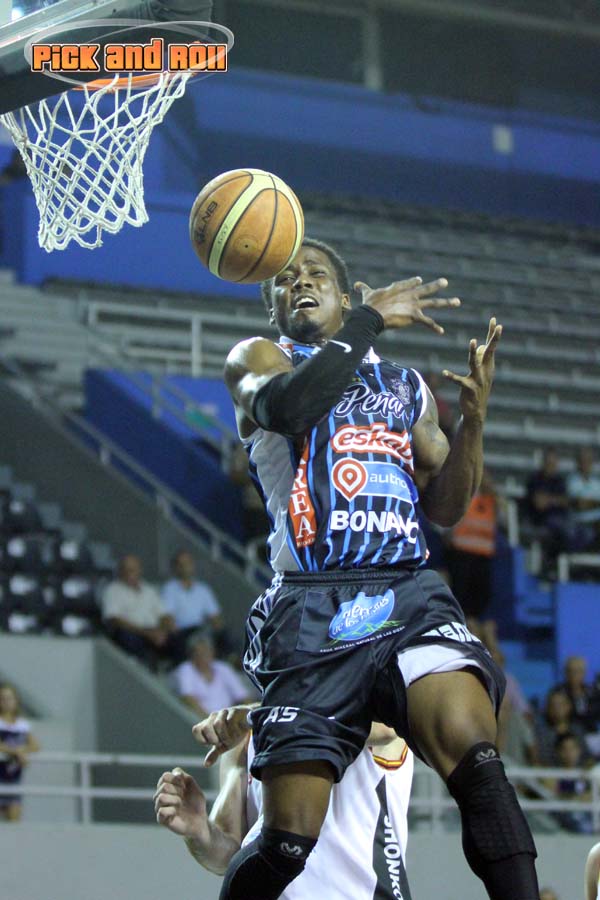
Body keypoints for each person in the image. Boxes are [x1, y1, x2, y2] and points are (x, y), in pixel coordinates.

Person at [211, 237, 538, 900]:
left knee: (479, 763)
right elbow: (290, 407)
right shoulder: (259, 358)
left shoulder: (404, 386)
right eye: (285, 280)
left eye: (315, 274)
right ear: (274, 309)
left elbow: (444, 507)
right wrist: (367, 322)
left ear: (344, 293)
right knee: (287, 843)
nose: (299, 282)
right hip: (310, 606)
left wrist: (473, 423)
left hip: (405, 592)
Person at [155, 706, 414, 900]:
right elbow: (228, 858)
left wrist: (257, 715)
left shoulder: (374, 711)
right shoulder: (244, 735)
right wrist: (200, 830)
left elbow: (386, 730)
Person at [446, 467, 500, 628]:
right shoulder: (464, 497)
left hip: (482, 558)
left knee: (480, 602)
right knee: (462, 600)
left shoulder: (492, 502)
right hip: (462, 556)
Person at [102, 554, 176, 668]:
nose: (129, 573)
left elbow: (164, 615)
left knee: (178, 639)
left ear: (140, 570)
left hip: (154, 630)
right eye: (125, 569)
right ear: (120, 571)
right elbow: (114, 620)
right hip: (132, 631)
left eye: (132, 569)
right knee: (127, 637)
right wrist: (147, 633)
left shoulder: (149, 590)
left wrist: (163, 631)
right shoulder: (112, 590)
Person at [162, 550, 226, 662]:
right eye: (181, 564)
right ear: (175, 568)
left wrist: (218, 629)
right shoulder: (169, 589)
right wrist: (174, 631)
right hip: (183, 631)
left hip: (201, 629)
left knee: (225, 635)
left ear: (193, 565)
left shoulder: (203, 589)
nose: (185, 567)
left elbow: (215, 617)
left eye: (187, 563)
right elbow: (167, 617)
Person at [173, 633, 253, 718]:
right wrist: (209, 720)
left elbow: (244, 697)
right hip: (198, 719)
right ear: (192, 654)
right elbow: (187, 698)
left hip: (227, 720)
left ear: (212, 652)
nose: (203, 656)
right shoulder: (185, 669)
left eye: (206, 651)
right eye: (199, 653)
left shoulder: (223, 668)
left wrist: (249, 716)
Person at [0, 683, 40, 821]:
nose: (6, 702)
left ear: (16, 701)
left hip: (14, 777)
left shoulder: (22, 724)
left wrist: (23, 750)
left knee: (14, 821)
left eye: (9, 698)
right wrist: (15, 751)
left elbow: (35, 746)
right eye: (3, 698)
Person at [567, 447, 600, 548]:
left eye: (588, 461)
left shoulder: (596, 483)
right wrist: (595, 503)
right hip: (579, 524)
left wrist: (591, 503)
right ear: (578, 463)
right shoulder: (571, 481)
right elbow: (580, 505)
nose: (586, 464)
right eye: (583, 461)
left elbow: (586, 503)